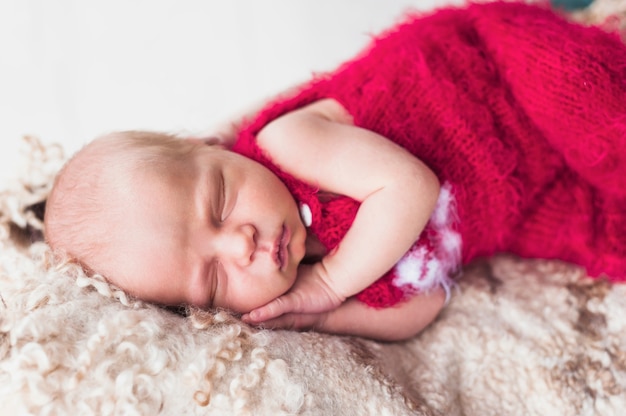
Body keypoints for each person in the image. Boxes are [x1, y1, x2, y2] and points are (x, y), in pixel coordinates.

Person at [44, 1, 626, 341]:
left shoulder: (288, 141)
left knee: (592, 105)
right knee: (605, 238)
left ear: (217, 149)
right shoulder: (315, 276)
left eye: (220, 201)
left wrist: (331, 286)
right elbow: (424, 303)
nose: (240, 243)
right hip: (516, 191)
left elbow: (408, 187)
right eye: (215, 281)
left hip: (492, 72)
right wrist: (326, 317)